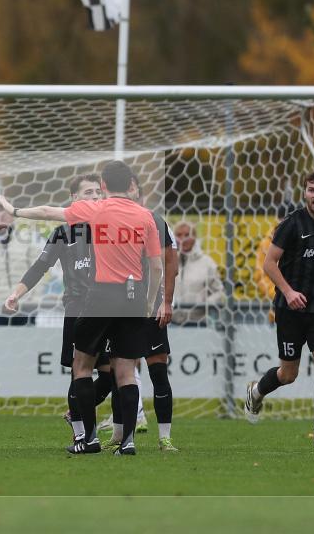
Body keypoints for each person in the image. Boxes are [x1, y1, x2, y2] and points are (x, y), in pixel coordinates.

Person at [0, 160, 163, 456]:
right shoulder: (147, 217)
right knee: (126, 371)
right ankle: (127, 442)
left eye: (95, 190)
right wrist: (149, 302)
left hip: (99, 297)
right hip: (132, 298)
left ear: (103, 187)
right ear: (131, 185)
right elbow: (156, 266)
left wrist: (14, 211)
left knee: (82, 366)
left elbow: (48, 211)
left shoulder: (98, 211)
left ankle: (88, 439)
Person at [244, 171, 314, 446]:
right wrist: (289, 291)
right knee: (288, 374)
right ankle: (256, 392)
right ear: (304, 193)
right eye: (311, 190)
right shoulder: (291, 224)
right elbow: (269, 263)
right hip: (290, 310)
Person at [2, 174, 115, 443]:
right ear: (74, 199)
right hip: (77, 306)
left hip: (107, 306)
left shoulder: (109, 226)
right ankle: (82, 434)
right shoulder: (63, 232)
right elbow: (41, 267)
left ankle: (78, 415)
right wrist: (16, 293)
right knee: (79, 370)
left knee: (110, 374)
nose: (95, 197)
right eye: (88, 192)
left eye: (98, 192)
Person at [103, 176, 179, 452]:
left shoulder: (156, 221)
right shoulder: (109, 220)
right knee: (118, 373)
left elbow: (171, 265)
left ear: (139, 193)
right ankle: (119, 434)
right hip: (121, 307)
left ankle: (165, 437)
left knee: (158, 371)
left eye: (133, 187)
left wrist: (166, 302)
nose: (129, 191)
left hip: (150, 308)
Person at [171, 221, 224, 325]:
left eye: (187, 235)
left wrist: (205, 304)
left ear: (194, 237)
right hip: (170, 324)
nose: (183, 239)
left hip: (198, 324)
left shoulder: (207, 263)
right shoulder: (167, 262)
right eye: (179, 235)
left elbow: (219, 292)